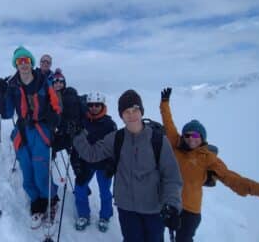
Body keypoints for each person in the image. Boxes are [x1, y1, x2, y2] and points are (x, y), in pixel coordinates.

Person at [159, 87, 259, 242]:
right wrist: (164, 103)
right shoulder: (175, 144)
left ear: (202, 138)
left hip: (190, 212)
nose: (191, 139)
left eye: (196, 135)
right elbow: (168, 122)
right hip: (171, 205)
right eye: (187, 135)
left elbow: (234, 180)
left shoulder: (208, 158)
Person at [71, 89, 183, 242]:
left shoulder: (158, 141)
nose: (131, 115)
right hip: (127, 210)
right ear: (121, 115)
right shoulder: (117, 138)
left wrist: (172, 204)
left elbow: (171, 176)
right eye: (126, 111)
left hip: (153, 210)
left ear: (141, 111)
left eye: (135, 110)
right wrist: (78, 136)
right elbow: (92, 154)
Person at [0, 46, 62, 229]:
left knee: (41, 172)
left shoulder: (43, 82)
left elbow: (56, 106)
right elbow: (7, 113)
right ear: (16, 64)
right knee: (27, 172)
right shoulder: (12, 86)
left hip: (41, 131)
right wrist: (0, 94)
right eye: (19, 61)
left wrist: (54, 122)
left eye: (26, 60)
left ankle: (51, 199)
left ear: (31, 62)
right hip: (22, 133)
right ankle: (37, 203)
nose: (23, 64)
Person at [71, 91, 117, 232]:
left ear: (102, 105)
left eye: (97, 105)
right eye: (91, 105)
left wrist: (112, 164)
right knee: (79, 188)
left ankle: (105, 216)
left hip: (104, 164)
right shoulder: (82, 122)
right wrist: (76, 163)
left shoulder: (110, 124)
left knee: (104, 191)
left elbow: (115, 146)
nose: (94, 108)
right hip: (86, 163)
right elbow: (75, 146)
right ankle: (84, 215)